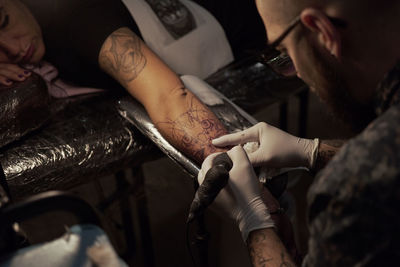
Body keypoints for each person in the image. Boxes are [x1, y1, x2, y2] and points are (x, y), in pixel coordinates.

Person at [199, 0, 400, 266]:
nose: (298, 74)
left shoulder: (353, 194)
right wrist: (312, 150)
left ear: (321, 30)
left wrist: (252, 221)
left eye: (283, 52)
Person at [0, 0, 261, 163]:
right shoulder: (35, 42)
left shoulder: (77, 20)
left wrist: (253, 198)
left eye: (4, 21)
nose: (10, 49)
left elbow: (168, 96)